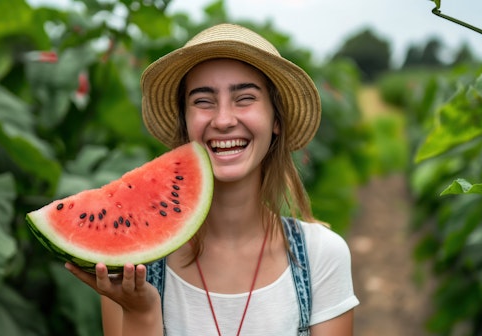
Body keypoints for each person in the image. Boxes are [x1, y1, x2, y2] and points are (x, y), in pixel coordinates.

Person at [66, 23, 359, 336]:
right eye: (203, 101)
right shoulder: (130, 264)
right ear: (186, 124)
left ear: (276, 120)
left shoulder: (321, 257)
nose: (223, 120)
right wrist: (141, 313)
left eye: (245, 98)